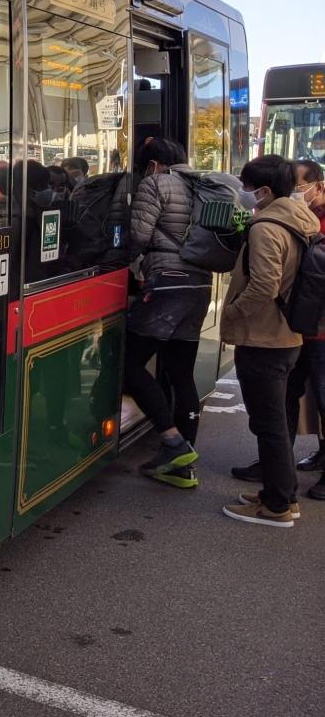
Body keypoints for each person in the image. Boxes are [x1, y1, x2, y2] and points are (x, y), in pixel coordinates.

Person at [220, 154, 320, 527]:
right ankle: (283, 495)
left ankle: (276, 506)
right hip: (288, 334)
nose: (243, 192)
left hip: (264, 336)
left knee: (270, 424)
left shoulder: (266, 227)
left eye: (246, 186)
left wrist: (233, 312)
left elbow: (264, 284)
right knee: (275, 420)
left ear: (263, 190)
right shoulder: (301, 218)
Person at [123, 138, 212, 488]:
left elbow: (138, 235)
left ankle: (173, 442)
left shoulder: (156, 183)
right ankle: (183, 465)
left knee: (128, 364)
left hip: (167, 284)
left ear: (153, 164)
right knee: (181, 374)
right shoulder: (204, 184)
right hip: (200, 285)